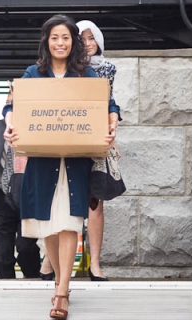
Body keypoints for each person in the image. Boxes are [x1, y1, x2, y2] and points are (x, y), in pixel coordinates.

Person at [3, 15, 119, 319]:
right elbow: (12, 106)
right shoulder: (32, 74)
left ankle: (62, 291)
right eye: (55, 37)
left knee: (69, 223)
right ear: (47, 41)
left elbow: (109, 104)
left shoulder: (87, 74)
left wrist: (111, 121)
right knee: (49, 229)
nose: (60, 43)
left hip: (75, 162)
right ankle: (58, 279)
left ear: (74, 42)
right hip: (42, 163)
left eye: (66, 38)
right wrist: (10, 125)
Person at [0, 88, 41, 279]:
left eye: (12, 102)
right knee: (1, 254)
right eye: (7, 101)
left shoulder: (36, 127)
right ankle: (4, 286)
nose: (8, 105)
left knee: (25, 246)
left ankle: (35, 279)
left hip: (28, 196)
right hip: (2, 197)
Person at [77, 20, 121, 282]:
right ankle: (49, 262)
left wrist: (112, 132)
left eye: (91, 38)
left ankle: (95, 265)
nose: (88, 44)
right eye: (82, 40)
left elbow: (108, 103)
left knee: (95, 202)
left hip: (97, 140)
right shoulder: (66, 69)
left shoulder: (107, 69)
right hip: (70, 138)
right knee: (68, 201)